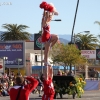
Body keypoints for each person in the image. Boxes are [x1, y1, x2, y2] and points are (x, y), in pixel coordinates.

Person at [40, 1, 59, 66]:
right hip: (46, 36)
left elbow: (51, 15)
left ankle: (50, 47)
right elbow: (46, 16)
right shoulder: (44, 22)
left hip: (48, 35)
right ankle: (45, 60)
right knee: (46, 50)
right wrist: (46, 11)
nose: (50, 17)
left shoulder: (48, 22)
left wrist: (52, 11)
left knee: (56, 37)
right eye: (49, 16)